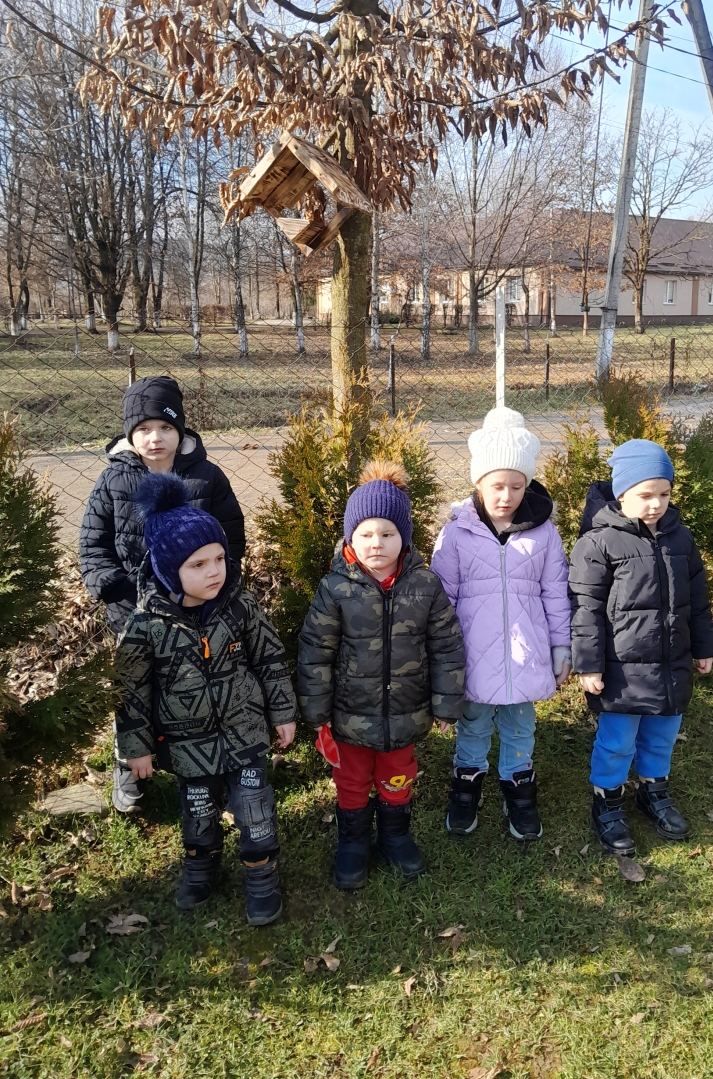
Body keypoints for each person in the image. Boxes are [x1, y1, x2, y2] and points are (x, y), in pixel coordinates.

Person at [114, 472, 296, 926]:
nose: (214, 571)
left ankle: (261, 874)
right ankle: (201, 863)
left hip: (245, 732)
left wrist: (283, 711)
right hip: (187, 743)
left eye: (218, 558)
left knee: (254, 808)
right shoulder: (144, 627)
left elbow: (270, 657)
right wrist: (136, 747)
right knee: (197, 811)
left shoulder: (240, 606)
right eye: (197, 565)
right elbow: (130, 690)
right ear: (167, 570)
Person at [79, 375, 245, 814]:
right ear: (130, 435)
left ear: (181, 430)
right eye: (144, 429)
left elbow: (232, 536)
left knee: (201, 687)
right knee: (134, 689)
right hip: (133, 612)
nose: (156, 438)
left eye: (166, 427)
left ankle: (214, 765)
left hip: (197, 613)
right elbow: (93, 545)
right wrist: (116, 592)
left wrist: (218, 588)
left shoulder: (206, 477)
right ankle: (130, 764)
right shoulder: (114, 481)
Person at [296, 461, 466, 891]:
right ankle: (353, 841)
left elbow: (446, 647)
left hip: (406, 713)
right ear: (350, 538)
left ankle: (395, 835)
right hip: (350, 717)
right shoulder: (335, 589)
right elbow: (315, 653)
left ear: (404, 537)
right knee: (352, 780)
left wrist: (447, 705)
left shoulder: (425, 586)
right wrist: (316, 711)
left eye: (388, 534)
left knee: (398, 775)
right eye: (366, 534)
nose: (377, 543)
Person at [568, 438, 713, 856]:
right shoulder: (597, 543)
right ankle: (607, 801)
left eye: (664, 494)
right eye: (645, 495)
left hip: (671, 664)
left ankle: (653, 790)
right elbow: (585, 609)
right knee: (617, 741)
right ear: (622, 493)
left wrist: (703, 646)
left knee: (661, 735)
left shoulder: (681, 540)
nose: (656, 504)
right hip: (620, 670)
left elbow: (698, 600)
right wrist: (589, 665)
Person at [430, 406, 571, 842]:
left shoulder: (544, 534)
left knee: (519, 726)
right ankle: (466, 784)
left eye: (516, 485)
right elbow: (442, 601)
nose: (506, 496)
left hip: (525, 655)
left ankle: (519, 788)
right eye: (496, 486)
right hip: (473, 657)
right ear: (478, 483)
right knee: (473, 723)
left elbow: (555, 593)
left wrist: (561, 646)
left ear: (527, 485)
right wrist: (441, 659)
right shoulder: (456, 534)